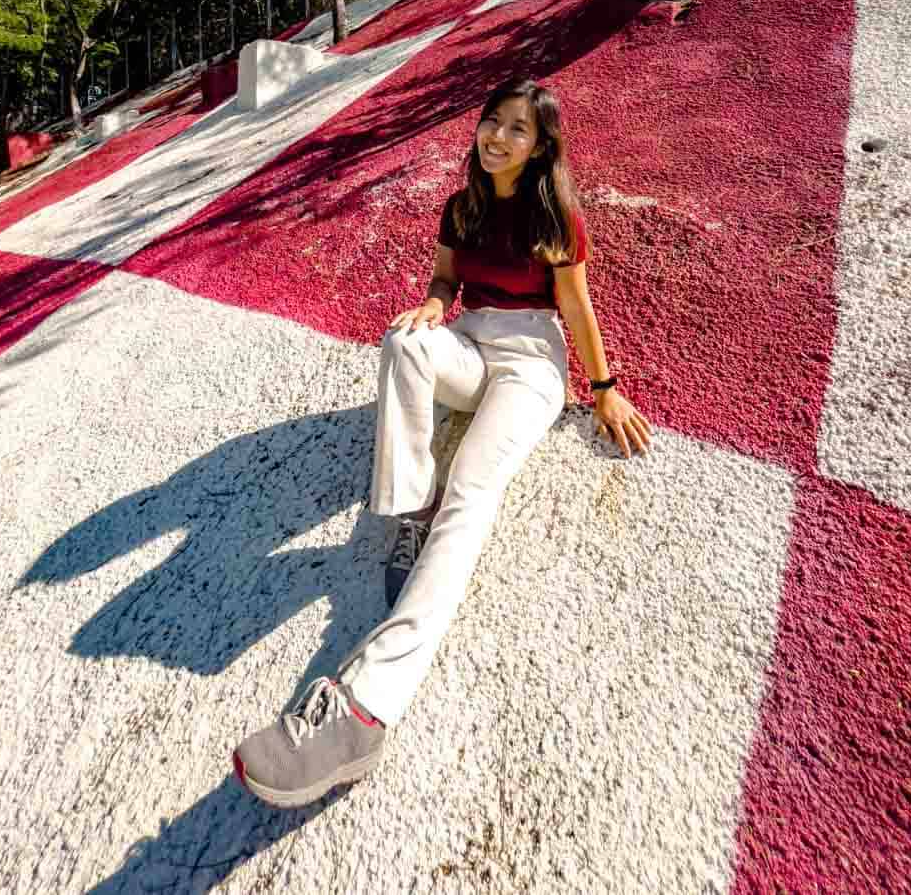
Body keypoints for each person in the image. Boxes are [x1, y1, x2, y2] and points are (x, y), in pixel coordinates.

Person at [232, 76, 653, 808]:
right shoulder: (462, 205)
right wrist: (430, 307)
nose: (497, 137)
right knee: (404, 344)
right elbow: (443, 281)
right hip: (471, 339)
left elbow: (576, 306)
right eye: (493, 122)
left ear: (542, 143)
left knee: (475, 490)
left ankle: (363, 709)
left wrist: (604, 386)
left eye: (517, 129)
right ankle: (409, 506)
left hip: (532, 361)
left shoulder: (558, 216)